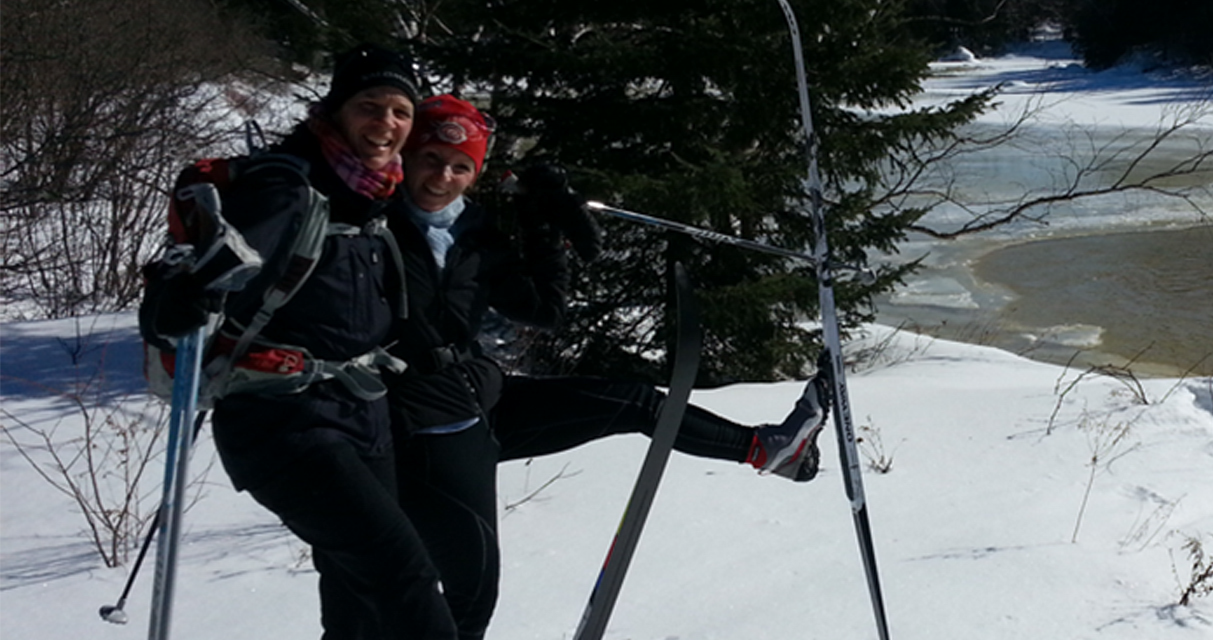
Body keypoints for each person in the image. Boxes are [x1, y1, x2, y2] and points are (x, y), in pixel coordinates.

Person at [385, 94, 830, 639]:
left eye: (460, 166)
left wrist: (542, 225)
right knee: (464, 595)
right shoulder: (371, 225)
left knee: (636, 402)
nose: (442, 178)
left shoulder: (471, 231)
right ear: (406, 156)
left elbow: (543, 310)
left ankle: (770, 449)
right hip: (426, 425)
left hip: (478, 397)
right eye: (431, 159)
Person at [139, 45, 458, 639]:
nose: (385, 123)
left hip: (362, 413)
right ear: (336, 110)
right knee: (403, 575)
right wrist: (176, 302)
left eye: (400, 112)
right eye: (369, 106)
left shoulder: (376, 197)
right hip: (281, 422)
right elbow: (192, 288)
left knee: (356, 594)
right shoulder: (285, 187)